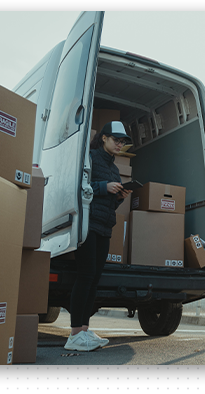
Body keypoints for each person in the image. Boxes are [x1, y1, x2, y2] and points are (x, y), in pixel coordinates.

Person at [64, 121, 133, 352]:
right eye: (116, 140)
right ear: (103, 138)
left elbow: (110, 204)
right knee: (84, 276)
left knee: (94, 279)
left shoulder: (114, 168)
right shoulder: (90, 158)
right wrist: (104, 187)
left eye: (122, 142)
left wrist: (120, 194)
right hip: (87, 224)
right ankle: (74, 334)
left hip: (105, 226)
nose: (120, 144)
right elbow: (77, 186)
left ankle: (84, 330)